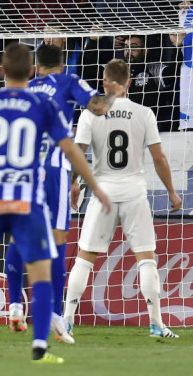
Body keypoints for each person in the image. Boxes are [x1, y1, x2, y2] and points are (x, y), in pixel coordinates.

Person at [0, 42, 110, 364]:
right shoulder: (42, 105)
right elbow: (72, 148)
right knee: (43, 270)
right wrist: (94, 185)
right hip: (26, 197)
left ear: (2, 71)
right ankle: (40, 346)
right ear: (29, 70)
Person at [64, 59, 182, 339]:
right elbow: (159, 157)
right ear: (129, 82)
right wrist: (172, 191)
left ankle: (67, 321)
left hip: (102, 191)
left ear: (104, 82)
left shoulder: (90, 114)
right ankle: (156, 323)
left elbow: (77, 152)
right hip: (134, 193)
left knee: (85, 258)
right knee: (146, 259)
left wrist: (74, 184)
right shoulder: (144, 113)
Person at [2, 43, 112, 338]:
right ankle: (52, 312)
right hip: (54, 170)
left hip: (22, 171)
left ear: (35, 66)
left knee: (17, 236)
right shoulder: (68, 81)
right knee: (58, 239)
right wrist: (114, 91)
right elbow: (98, 106)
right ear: (61, 65)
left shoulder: (23, 88)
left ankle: (14, 304)